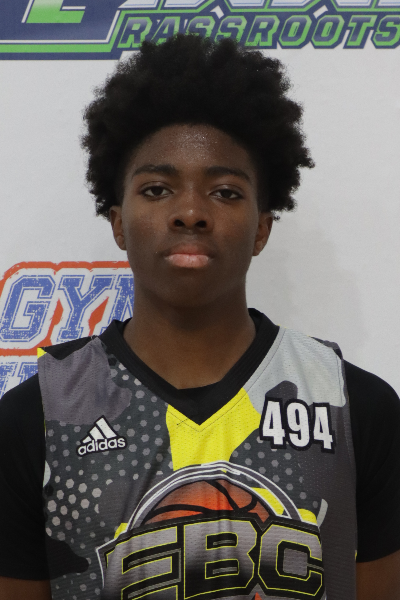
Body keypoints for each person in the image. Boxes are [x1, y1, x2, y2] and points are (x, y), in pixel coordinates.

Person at [0, 34, 399, 600]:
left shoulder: (357, 408)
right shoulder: (35, 418)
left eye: (226, 192)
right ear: (118, 223)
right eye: (157, 189)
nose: (190, 212)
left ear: (262, 228)